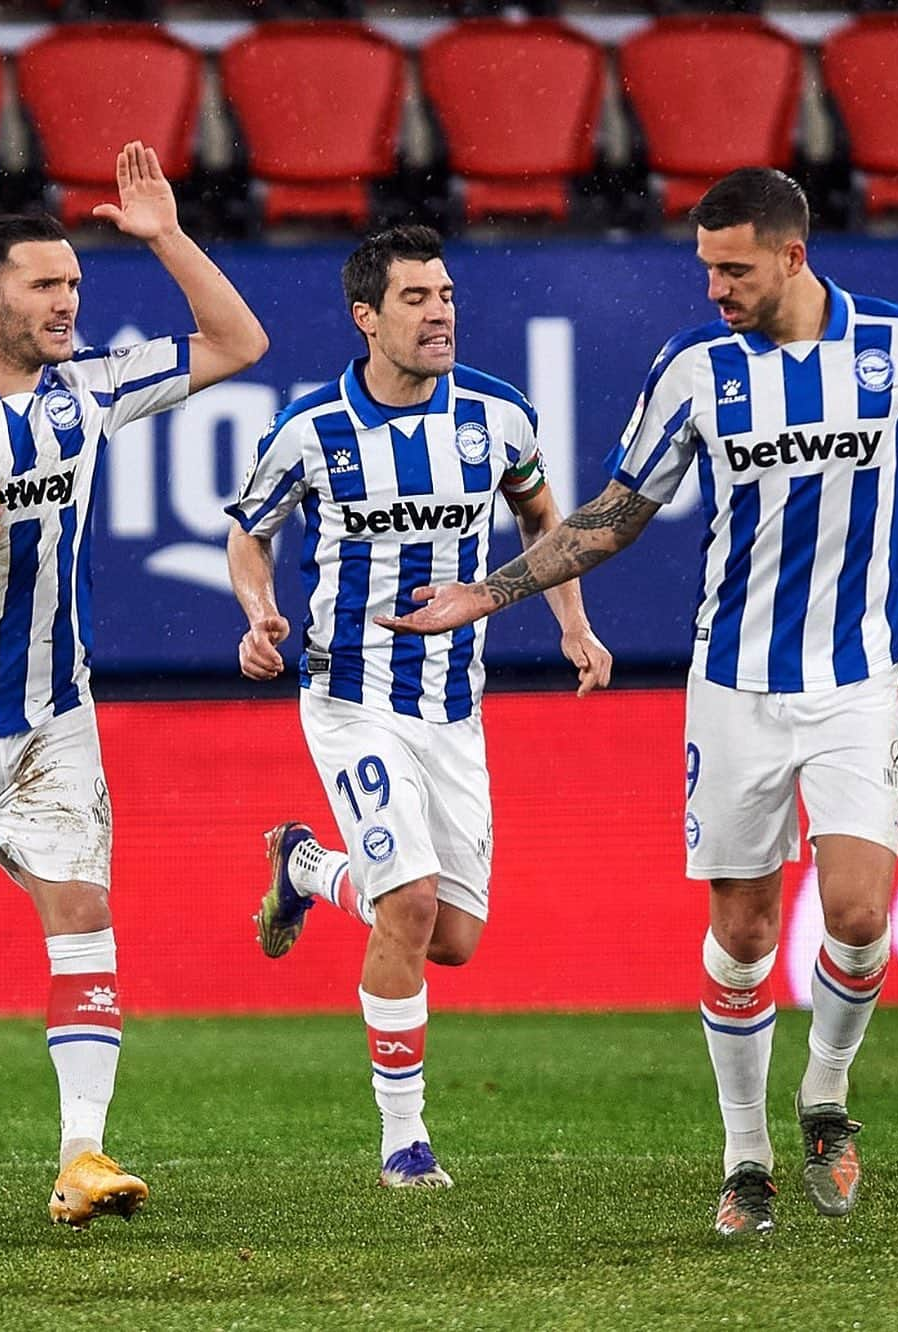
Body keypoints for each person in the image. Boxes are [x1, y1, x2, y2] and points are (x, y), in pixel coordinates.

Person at [377, 168, 898, 1236]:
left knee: (857, 914)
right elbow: (616, 515)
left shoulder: (890, 349)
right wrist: (487, 592)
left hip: (856, 678)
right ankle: (745, 1156)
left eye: (734, 268)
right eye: (706, 266)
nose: (714, 286)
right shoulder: (696, 370)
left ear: (793, 256)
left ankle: (825, 1098)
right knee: (744, 928)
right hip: (731, 689)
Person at [0, 141, 268, 1229]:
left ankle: (82, 1158)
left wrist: (165, 235)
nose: (69, 300)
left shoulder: (89, 390)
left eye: (76, 281)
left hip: (54, 712)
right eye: (46, 284)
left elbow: (239, 342)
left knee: (83, 908)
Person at [226, 224, 611, 1188]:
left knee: (453, 939)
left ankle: (307, 866)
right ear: (365, 316)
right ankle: (404, 1142)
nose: (440, 312)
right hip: (350, 698)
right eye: (415, 298)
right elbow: (248, 534)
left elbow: (539, 520)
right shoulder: (310, 429)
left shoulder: (497, 414)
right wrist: (260, 611)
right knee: (408, 899)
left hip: (453, 709)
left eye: (444, 295)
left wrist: (572, 621)